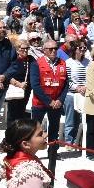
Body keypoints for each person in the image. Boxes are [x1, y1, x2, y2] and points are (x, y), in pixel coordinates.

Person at [29, 36, 68, 164]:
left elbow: (66, 84)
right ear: (44, 50)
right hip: (40, 103)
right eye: (50, 49)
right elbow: (35, 85)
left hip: (56, 103)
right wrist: (49, 101)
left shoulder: (63, 63)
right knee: (35, 129)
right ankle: (30, 153)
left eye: (55, 48)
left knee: (54, 130)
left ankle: (53, 153)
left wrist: (60, 100)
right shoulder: (36, 63)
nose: (53, 51)